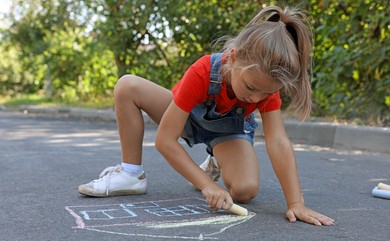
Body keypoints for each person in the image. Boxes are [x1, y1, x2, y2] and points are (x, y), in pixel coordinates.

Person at [78, 6, 335, 226]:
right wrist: (206, 185)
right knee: (127, 85)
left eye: (265, 94)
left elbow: (278, 142)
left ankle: (215, 161)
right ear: (233, 58)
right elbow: (165, 140)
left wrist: (296, 202)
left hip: (228, 132)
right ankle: (131, 174)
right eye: (251, 88)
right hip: (186, 119)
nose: (256, 99)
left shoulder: (265, 88)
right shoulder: (203, 71)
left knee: (245, 190)